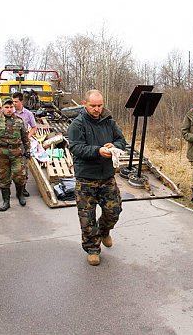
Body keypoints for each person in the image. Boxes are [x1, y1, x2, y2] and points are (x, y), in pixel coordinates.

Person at [67, 89, 127, 266]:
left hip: (107, 176)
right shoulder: (77, 124)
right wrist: (97, 150)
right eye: (93, 106)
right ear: (84, 104)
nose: (97, 109)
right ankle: (92, 248)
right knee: (87, 217)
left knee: (114, 211)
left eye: (100, 105)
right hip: (86, 177)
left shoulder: (109, 122)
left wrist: (113, 145)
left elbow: (122, 141)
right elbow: (76, 148)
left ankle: (104, 231)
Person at [0, 98, 31, 211]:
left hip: (17, 154)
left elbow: (25, 137)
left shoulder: (19, 121)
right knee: (3, 179)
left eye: (11, 107)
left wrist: (28, 150)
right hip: (2, 154)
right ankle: (6, 201)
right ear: (2, 108)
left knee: (20, 177)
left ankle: (20, 195)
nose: (9, 109)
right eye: (7, 107)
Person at [12, 91, 37, 197]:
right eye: (13, 101)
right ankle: (16, 188)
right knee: (13, 167)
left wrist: (28, 136)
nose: (14, 104)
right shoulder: (9, 112)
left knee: (23, 167)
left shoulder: (28, 114)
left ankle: (23, 188)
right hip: (11, 144)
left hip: (22, 145)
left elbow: (34, 127)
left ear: (21, 101)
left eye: (16, 101)